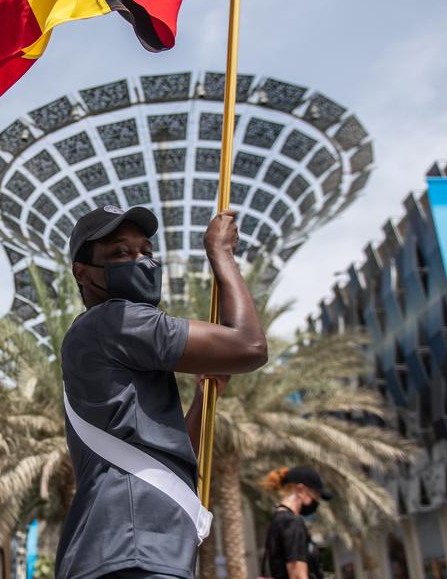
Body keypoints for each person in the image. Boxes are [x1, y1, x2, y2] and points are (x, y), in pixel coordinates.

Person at [56, 205, 268, 579]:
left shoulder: (99, 336)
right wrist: (221, 252)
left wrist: (204, 397)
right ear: (82, 272)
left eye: (146, 252)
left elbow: (164, 461)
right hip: (135, 550)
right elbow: (249, 346)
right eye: (120, 253)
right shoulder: (115, 320)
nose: (140, 261)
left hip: (130, 550)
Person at [260, 465, 333, 579]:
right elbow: (298, 575)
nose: (316, 502)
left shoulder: (277, 520)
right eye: (314, 496)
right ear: (300, 490)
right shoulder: (292, 522)